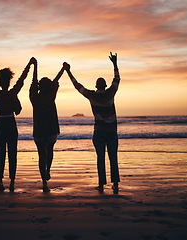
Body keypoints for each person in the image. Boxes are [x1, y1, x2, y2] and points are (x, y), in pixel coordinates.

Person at [64, 52, 120, 194]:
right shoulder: (111, 92)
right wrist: (114, 63)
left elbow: (77, 86)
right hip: (112, 132)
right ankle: (115, 184)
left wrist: (68, 71)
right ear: (105, 85)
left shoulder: (92, 95)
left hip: (99, 132)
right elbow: (117, 78)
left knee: (100, 158)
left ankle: (101, 184)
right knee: (113, 157)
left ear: (96, 86)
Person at [0, 55, 33, 192]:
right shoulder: (13, 92)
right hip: (10, 123)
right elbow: (22, 79)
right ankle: (12, 181)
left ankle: (0, 181)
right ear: (9, 81)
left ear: (0, 81)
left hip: (0, 124)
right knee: (12, 153)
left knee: (0, 153)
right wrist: (29, 64)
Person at [29, 58, 64, 192]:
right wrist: (63, 69)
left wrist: (35, 66)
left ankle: (44, 181)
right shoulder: (51, 96)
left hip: (38, 131)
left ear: (39, 87)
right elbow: (55, 81)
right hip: (51, 129)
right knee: (49, 151)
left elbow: (33, 82)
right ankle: (48, 170)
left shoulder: (34, 98)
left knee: (41, 155)